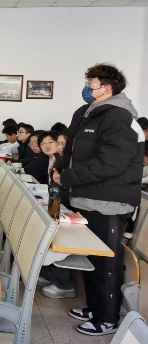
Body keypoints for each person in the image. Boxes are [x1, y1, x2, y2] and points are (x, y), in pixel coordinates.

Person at [53, 63, 144, 336]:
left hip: (109, 202)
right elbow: (73, 152)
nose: (86, 88)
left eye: (91, 84)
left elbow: (111, 163)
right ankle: (95, 307)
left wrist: (69, 177)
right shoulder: (86, 113)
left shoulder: (120, 117)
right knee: (93, 258)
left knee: (107, 263)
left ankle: (108, 318)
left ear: (107, 88)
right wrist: (60, 167)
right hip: (87, 198)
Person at [38, 130, 75, 299]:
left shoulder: (65, 161)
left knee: (58, 237)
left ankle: (64, 284)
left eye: (51, 142)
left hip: (68, 207)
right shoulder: (54, 160)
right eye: (43, 143)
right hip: (58, 203)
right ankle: (50, 275)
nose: (47, 146)